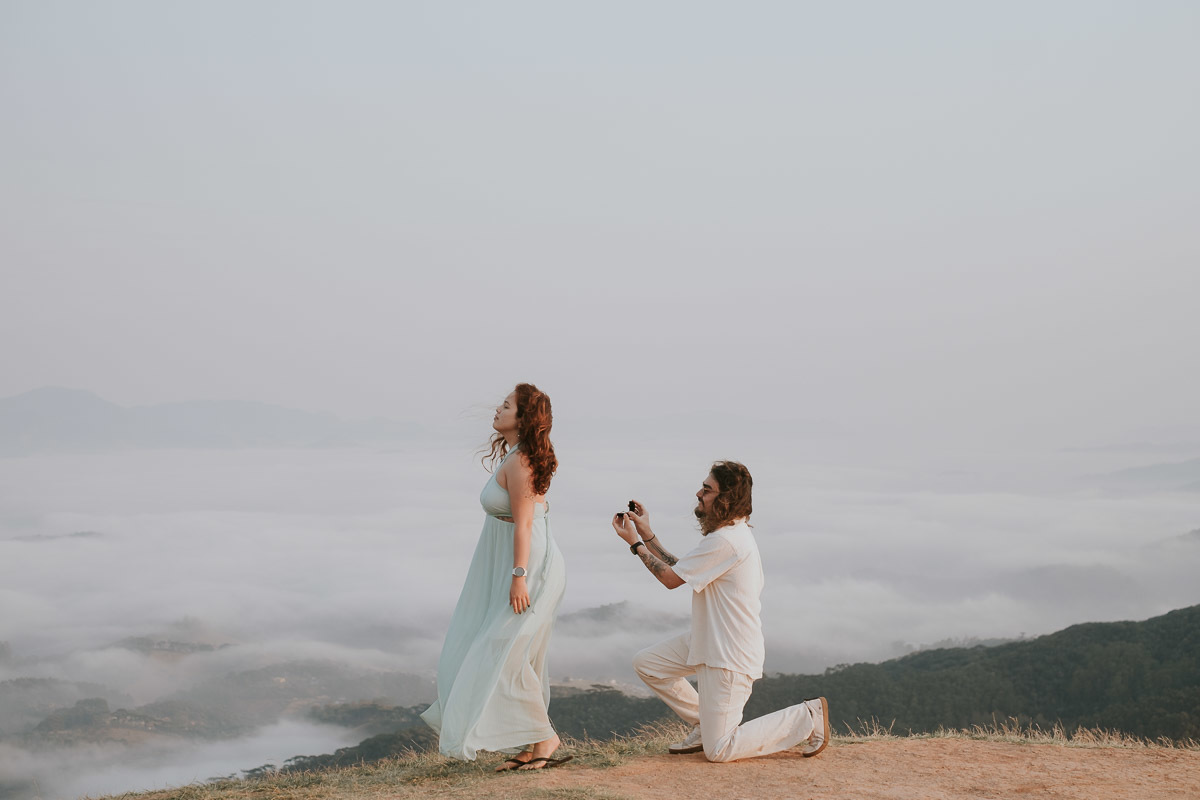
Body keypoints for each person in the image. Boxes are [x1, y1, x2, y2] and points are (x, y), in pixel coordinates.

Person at [611, 460, 829, 763]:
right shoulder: (728, 535)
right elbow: (683, 569)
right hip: (710, 640)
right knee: (648, 664)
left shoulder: (726, 541)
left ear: (725, 498)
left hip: (728, 655)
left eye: (707, 489)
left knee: (719, 750)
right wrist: (648, 535)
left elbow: (670, 579)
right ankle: (705, 724)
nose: (699, 494)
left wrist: (635, 543)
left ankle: (807, 716)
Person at [421, 383, 571, 771]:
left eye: (506, 405)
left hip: (529, 565)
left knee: (504, 651)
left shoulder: (521, 463)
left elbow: (524, 524)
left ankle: (545, 738)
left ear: (523, 419)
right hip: (511, 561)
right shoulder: (514, 455)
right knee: (509, 654)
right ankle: (532, 742)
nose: (497, 409)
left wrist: (518, 576)